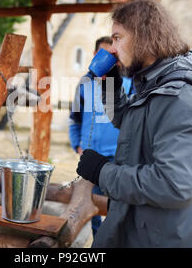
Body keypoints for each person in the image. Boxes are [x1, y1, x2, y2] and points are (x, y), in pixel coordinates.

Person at [76, 0, 192, 248]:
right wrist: (111, 85)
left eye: (118, 38)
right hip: (137, 228)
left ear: (143, 36)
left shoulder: (182, 99)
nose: (112, 49)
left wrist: (103, 172)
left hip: (163, 239)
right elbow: (128, 122)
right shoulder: (155, 84)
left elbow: (174, 184)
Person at [68, 36, 134, 238]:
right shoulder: (84, 83)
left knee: (116, 205)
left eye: (112, 54)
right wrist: (76, 143)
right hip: (90, 155)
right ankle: (98, 239)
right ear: (95, 55)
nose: (109, 59)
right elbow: (75, 117)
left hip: (117, 156)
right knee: (90, 202)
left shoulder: (128, 82)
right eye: (103, 54)